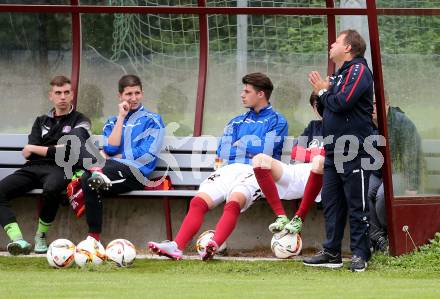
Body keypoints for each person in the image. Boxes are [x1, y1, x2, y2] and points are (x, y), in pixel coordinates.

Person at [148, 72, 288, 260]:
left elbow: (266, 150)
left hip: (258, 172)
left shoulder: (277, 121)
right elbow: (223, 150)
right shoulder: (236, 121)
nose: (242, 94)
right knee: (198, 201)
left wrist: (241, 143)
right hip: (229, 169)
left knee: (234, 201)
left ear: (261, 94)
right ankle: (176, 246)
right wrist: (248, 146)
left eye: (247, 91)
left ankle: (213, 245)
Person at [305, 29, 374, 272]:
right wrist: (325, 91)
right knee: (332, 202)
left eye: (336, 41)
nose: (331, 45)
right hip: (334, 148)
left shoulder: (358, 70)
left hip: (354, 147)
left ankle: (360, 254)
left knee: (357, 203)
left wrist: (325, 91)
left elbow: (342, 102)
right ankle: (332, 252)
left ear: (348, 48)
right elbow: (327, 108)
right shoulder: (340, 74)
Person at [0, 75, 91, 255]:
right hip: (33, 168)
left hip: (61, 168)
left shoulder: (81, 120)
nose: (62, 97)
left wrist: (35, 147)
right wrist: (42, 149)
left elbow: (69, 151)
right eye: (58, 93)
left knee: (52, 188)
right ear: (51, 95)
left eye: (66, 92)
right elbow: (30, 153)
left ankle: (40, 236)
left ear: (72, 95)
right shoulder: (40, 121)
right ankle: (18, 240)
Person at [80, 74, 165, 242]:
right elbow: (110, 147)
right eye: (128, 94)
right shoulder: (112, 122)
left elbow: (147, 153)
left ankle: (93, 239)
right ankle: (94, 238)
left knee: (89, 178)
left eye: (137, 93)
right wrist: (121, 117)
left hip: (137, 174)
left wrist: (118, 156)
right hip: (112, 172)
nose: (134, 98)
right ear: (120, 96)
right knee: (88, 180)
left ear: (142, 93)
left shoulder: (153, 120)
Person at [253, 92, 324, 235]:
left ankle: (299, 218)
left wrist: (315, 154)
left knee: (319, 161)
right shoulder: (314, 126)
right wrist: (318, 152)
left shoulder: (342, 127)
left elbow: (338, 155)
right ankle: (281, 216)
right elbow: (296, 152)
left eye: (322, 104)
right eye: (316, 105)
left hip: (323, 178)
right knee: (260, 159)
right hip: (300, 172)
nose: (320, 108)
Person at [368, 92, 422, 252]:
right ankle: (380, 238)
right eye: (369, 103)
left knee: (381, 196)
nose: (372, 107)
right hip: (378, 173)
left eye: (376, 103)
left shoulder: (401, 122)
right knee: (361, 192)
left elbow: (412, 155)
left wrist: (412, 186)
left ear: (387, 103)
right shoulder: (366, 123)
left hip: (400, 173)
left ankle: (392, 233)